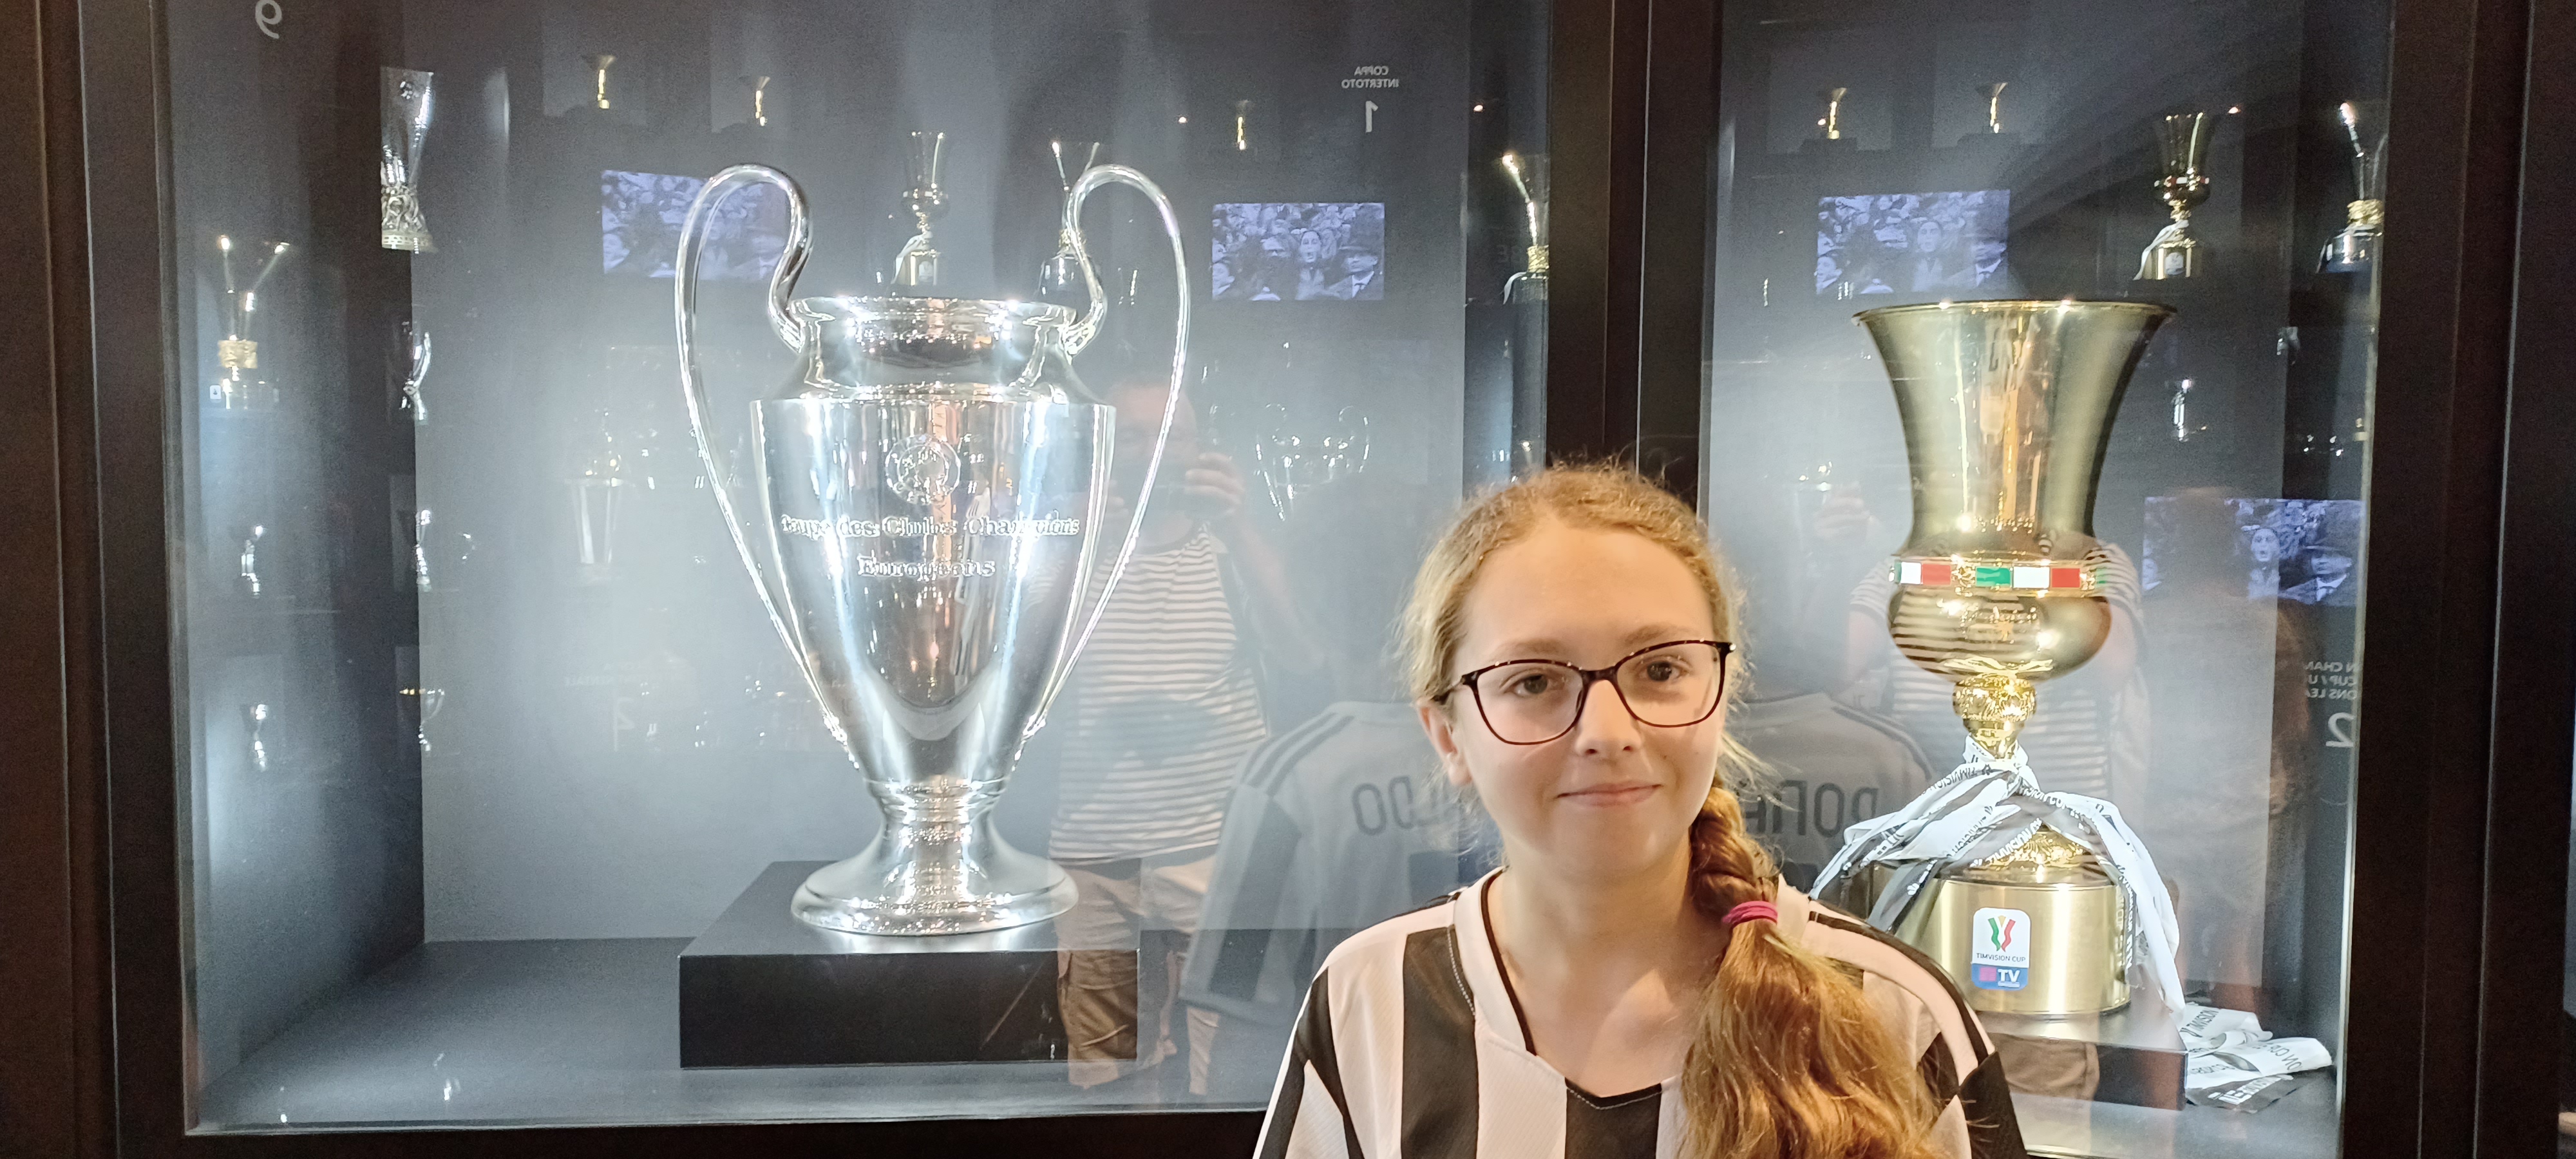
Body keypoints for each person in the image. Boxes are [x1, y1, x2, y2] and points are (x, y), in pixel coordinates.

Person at [1258, 466, 2023, 1159]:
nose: (1607, 732)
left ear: (1720, 694)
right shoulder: (1368, 1000)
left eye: (1659, 669)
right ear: (1448, 734)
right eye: (1533, 682)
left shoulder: (1896, 1016)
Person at [1042, 376, 1321, 1092]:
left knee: (1226, 1078)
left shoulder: (1233, 550)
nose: (1154, 451)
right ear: (1106, 449)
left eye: (1172, 435)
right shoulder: (1074, 549)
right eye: (1134, 436)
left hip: (1220, 854)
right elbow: (1025, 680)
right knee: (1105, 1075)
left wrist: (1241, 525)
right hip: (1095, 854)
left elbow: (1302, 652)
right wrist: (1077, 543)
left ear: (1200, 448)